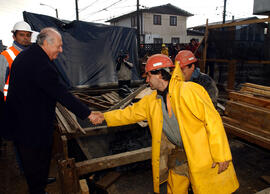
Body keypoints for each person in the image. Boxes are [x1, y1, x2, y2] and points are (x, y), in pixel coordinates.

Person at [92, 54, 239, 194]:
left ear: (160, 74)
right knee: (175, 188)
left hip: (203, 154)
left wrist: (221, 154)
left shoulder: (189, 91)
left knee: (207, 188)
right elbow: (129, 113)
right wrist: (104, 117)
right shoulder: (152, 101)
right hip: (179, 153)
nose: (147, 80)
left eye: (149, 75)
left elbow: (212, 120)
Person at [5, 27, 98, 194]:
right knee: (34, 159)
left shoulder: (30, 55)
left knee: (36, 161)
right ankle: (38, 189)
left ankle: (39, 182)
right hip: (30, 125)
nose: (61, 50)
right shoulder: (40, 64)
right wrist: (88, 113)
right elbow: (61, 93)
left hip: (27, 120)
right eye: (59, 46)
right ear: (47, 43)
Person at [0, 21, 32, 99]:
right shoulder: (5, 55)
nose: (25, 38)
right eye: (21, 35)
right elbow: (1, 84)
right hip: (12, 102)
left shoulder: (33, 55)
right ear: (14, 37)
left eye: (28, 35)